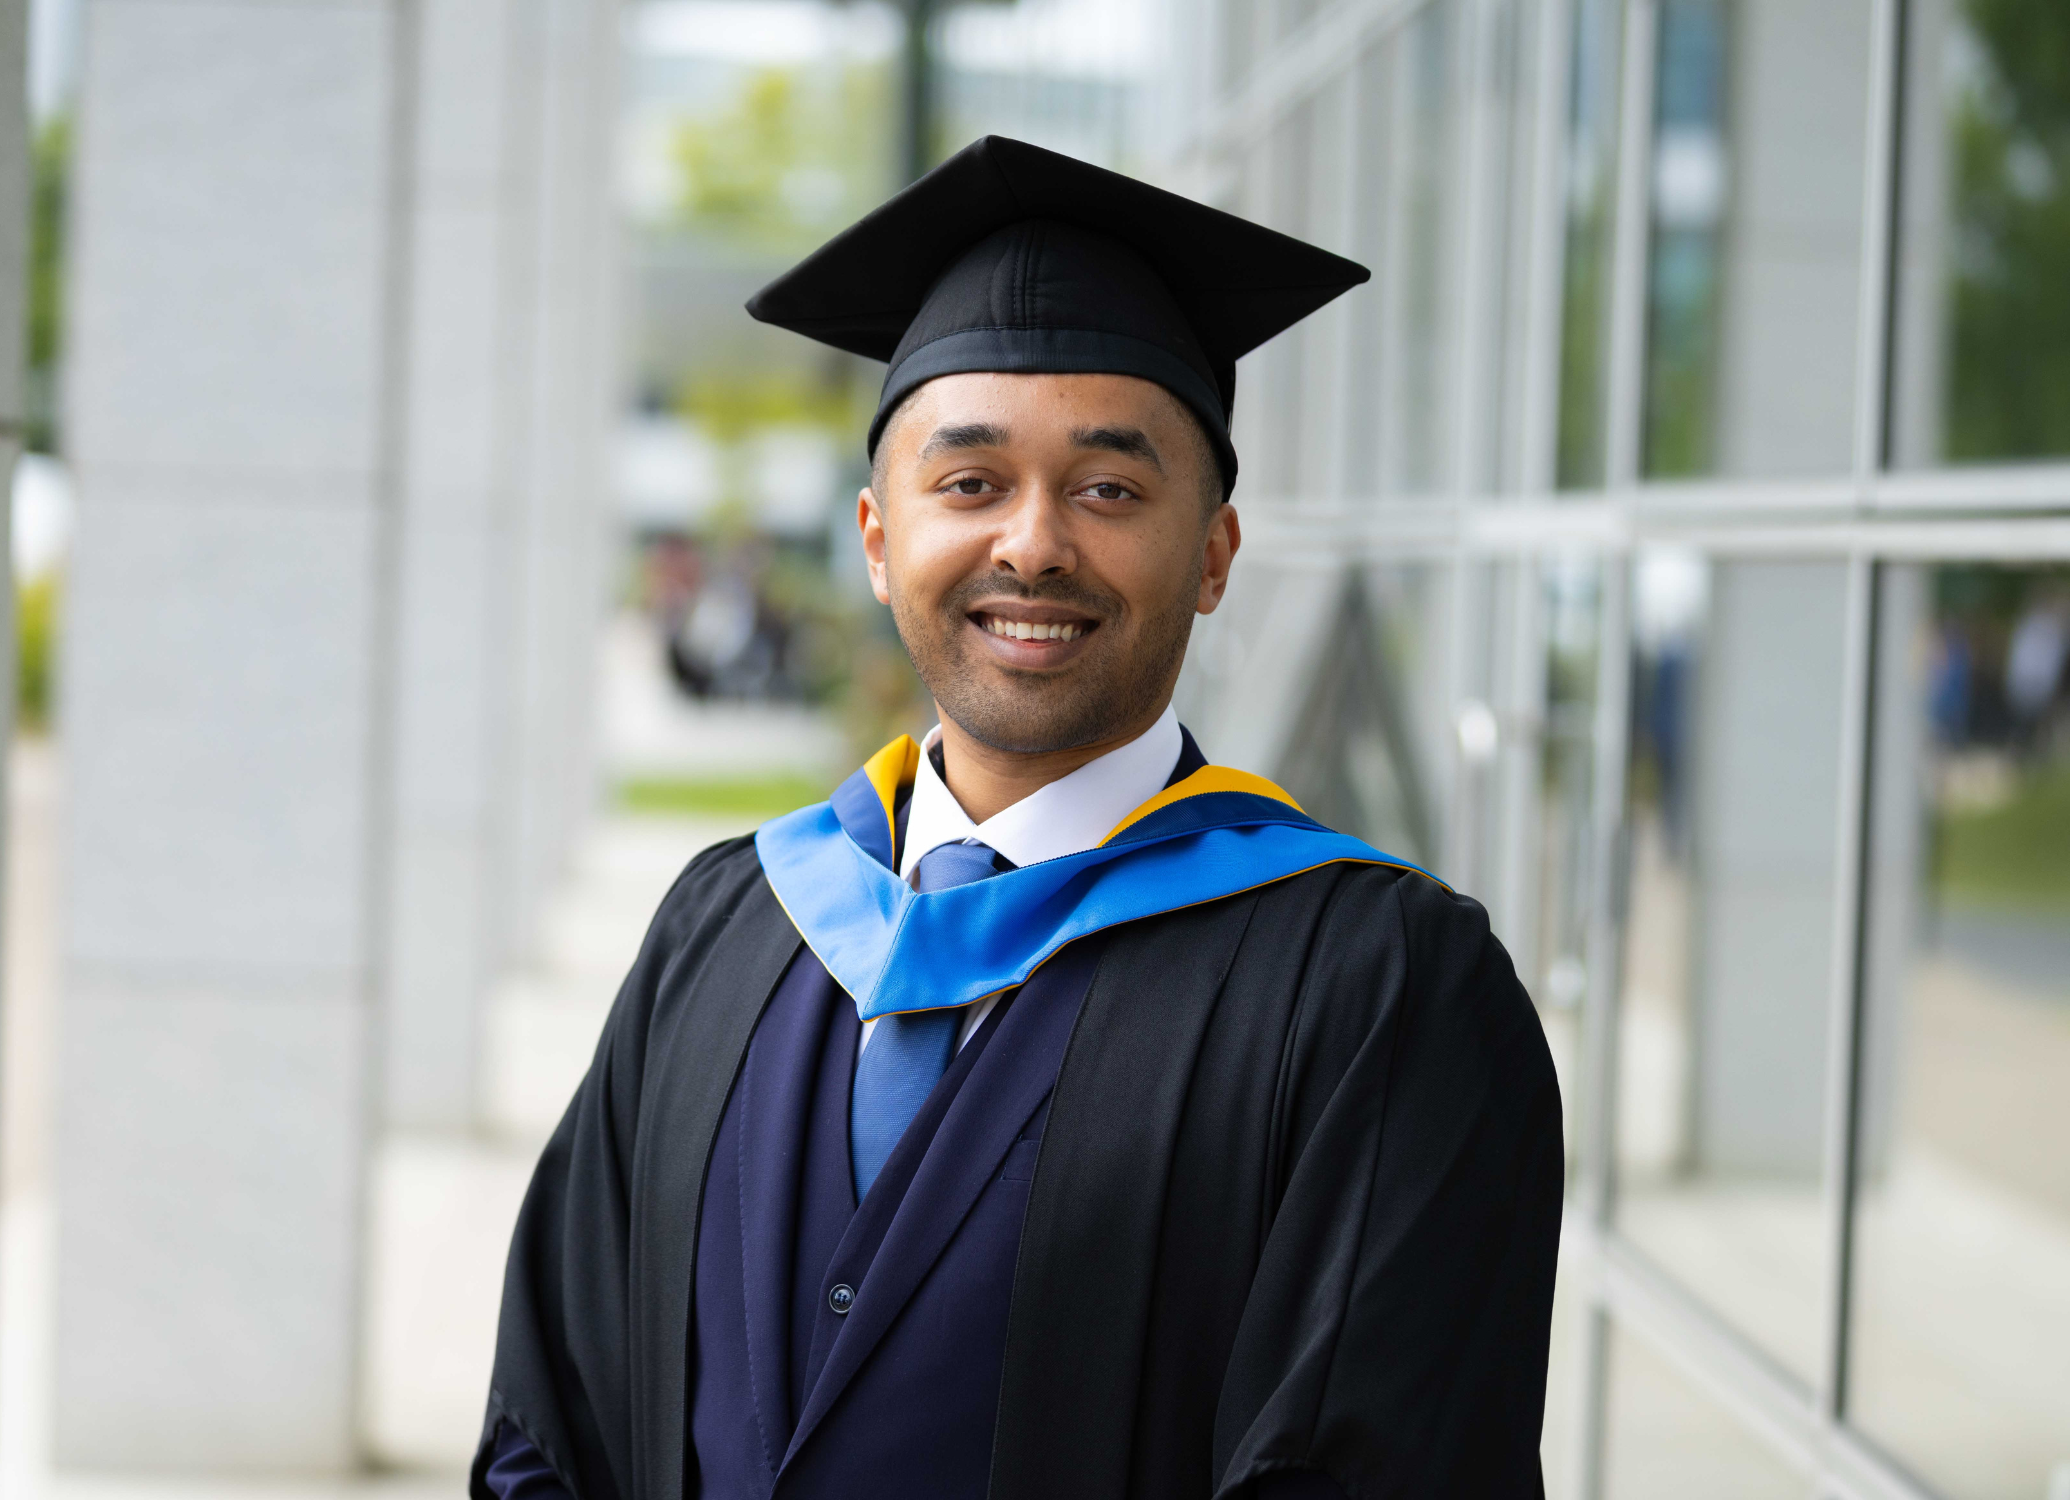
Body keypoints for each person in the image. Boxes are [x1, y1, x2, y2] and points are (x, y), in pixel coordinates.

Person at [475, 136, 1563, 1500]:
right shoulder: (730, 920)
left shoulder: (1374, 991)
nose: (1033, 543)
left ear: (1213, 555)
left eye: (1108, 489)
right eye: (969, 482)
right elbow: (549, 1419)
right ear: (878, 542)